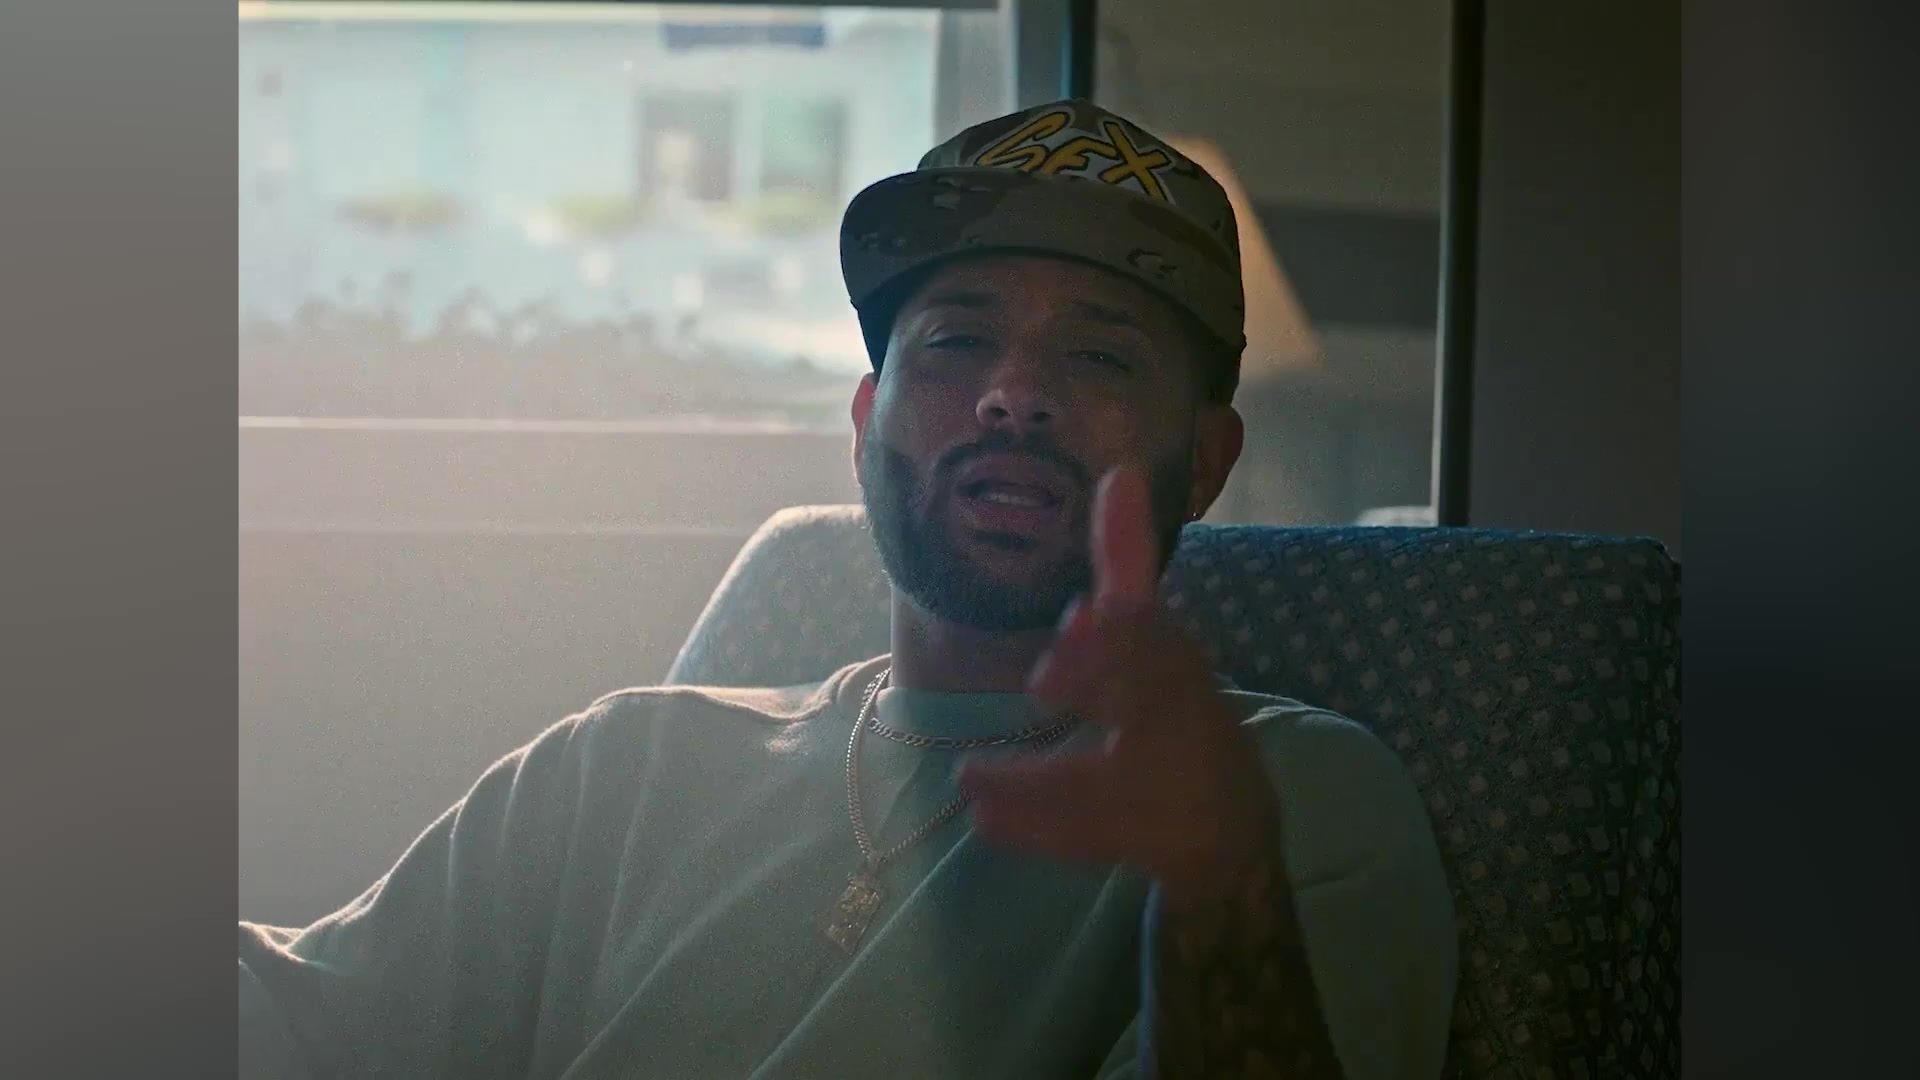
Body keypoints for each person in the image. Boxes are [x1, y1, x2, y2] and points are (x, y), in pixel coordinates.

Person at [239, 99, 1457, 1079]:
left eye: (1098, 355)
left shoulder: (1286, 799)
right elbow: (294, 1023)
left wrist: (1221, 896)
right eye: (958, 340)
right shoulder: (620, 767)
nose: (1013, 396)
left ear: (1206, 462)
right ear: (868, 421)